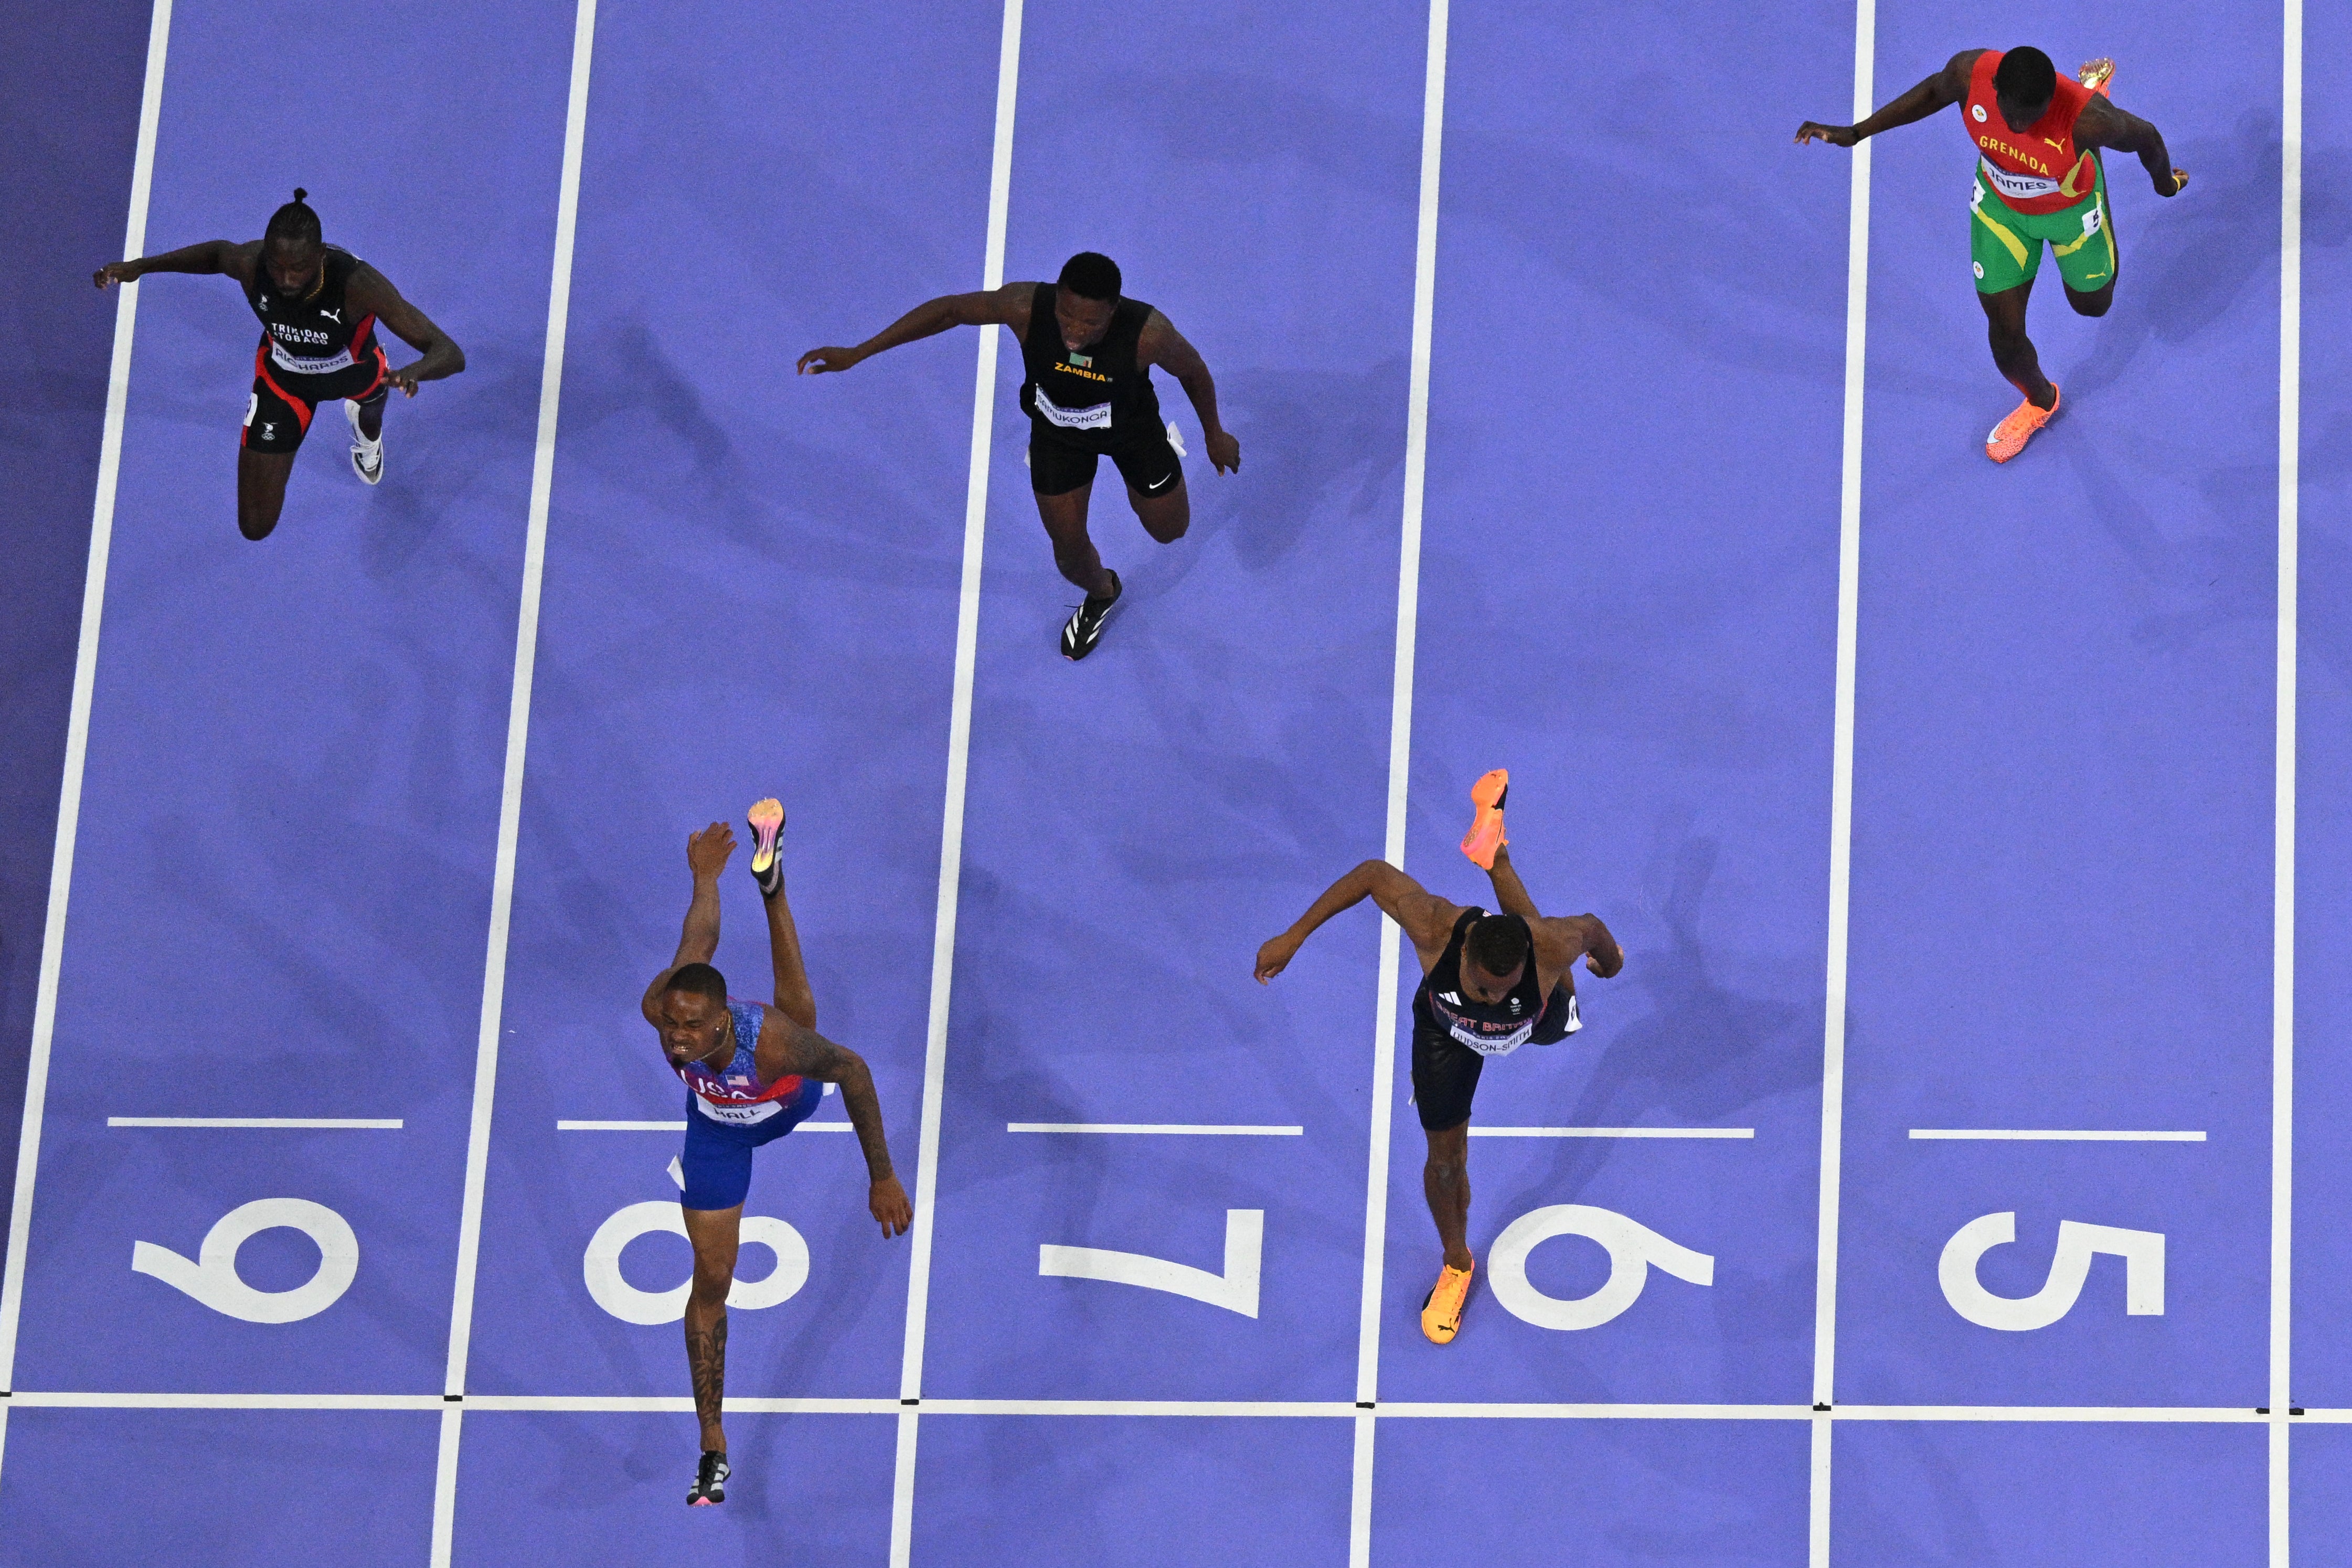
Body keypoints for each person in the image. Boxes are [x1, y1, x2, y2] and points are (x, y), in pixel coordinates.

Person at [1252, 771, 1624, 1345]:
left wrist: (1613, 963)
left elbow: (1595, 930)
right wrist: (1294, 935)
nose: (1493, 996)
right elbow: (1373, 875)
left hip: (1535, 1024)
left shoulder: (1549, 946)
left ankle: (1494, 855)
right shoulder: (1435, 928)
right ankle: (1456, 1263)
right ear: (1466, 953)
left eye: (1503, 988)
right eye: (1484, 985)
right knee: (1445, 1162)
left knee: (1561, 985)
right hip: (1446, 1034)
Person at [641, 799, 912, 1505]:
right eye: (672, 1024)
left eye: (690, 1026)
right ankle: (712, 1442)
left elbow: (852, 1071)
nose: (674, 1039)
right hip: (717, 1134)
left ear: (720, 1018)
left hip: (786, 1095)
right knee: (713, 1273)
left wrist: (880, 1176)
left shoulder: (766, 1043)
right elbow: (694, 945)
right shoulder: (665, 1007)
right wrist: (703, 880)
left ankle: (774, 888)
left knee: (797, 1010)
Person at [795, 252, 1240, 659]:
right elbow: (950, 310)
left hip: (1131, 432)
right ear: (1056, 298)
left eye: (1090, 324)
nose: (1073, 331)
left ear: (1114, 310)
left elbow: (1193, 371)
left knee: (1170, 531)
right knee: (1067, 555)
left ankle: (1151, 472)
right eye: (1066, 315)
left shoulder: (1149, 335)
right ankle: (1103, 591)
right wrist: (859, 352)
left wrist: (1214, 433)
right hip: (1057, 434)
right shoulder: (1026, 307)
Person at [1796, 51, 2187, 462]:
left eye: (2032, 117)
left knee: (2093, 305)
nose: (2019, 126)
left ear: (2052, 100)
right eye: (2012, 114)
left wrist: (2164, 184)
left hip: (2069, 211)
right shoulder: (1970, 76)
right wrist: (1857, 133)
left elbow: (2147, 137)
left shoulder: (2090, 120)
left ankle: (2091, 148)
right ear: (1995, 89)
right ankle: (2040, 400)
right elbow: (1932, 91)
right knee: (2003, 329)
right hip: (2001, 212)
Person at [92, 188, 465, 538]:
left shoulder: (358, 284)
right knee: (255, 524)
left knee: (371, 410)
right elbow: (219, 254)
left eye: (298, 268)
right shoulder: (252, 265)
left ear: (320, 256)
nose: (286, 279)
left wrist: (416, 372)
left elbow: (449, 352)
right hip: (283, 383)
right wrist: (141, 266)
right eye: (277, 266)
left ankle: (366, 434)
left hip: (354, 374)